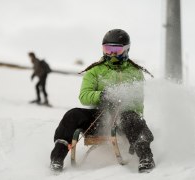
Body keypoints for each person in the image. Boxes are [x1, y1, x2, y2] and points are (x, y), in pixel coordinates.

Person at [50, 29, 155, 173]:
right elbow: (84, 96)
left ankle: (146, 156)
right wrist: (103, 95)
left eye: (116, 50)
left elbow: (138, 102)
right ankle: (57, 157)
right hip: (99, 118)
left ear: (126, 49)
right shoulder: (95, 70)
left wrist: (122, 103)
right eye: (107, 49)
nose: (111, 54)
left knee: (130, 117)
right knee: (73, 115)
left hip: (124, 120)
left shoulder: (134, 72)